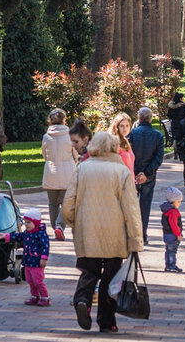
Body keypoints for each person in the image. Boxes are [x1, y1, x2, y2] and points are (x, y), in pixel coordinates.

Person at [60, 130, 144, 334]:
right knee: (111, 278)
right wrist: (135, 239)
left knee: (89, 271)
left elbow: (68, 203)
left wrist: (73, 223)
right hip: (115, 233)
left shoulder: (83, 168)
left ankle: (82, 300)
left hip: (87, 229)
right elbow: (131, 209)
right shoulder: (122, 171)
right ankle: (107, 321)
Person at [0, 207, 50, 306]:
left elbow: (45, 246)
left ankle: (45, 297)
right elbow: (18, 236)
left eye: (29, 222)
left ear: (36, 223)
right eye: (25, 222)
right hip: (28, 261)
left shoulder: (41, 233)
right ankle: (35, 296)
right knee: (30, 280)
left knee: (38, 280)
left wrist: (44, 258)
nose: (26, 225)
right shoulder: (27, 232)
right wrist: (5, 236)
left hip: (37, 262)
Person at [128, 106, 165, 244]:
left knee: (131, 205)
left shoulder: (132, 134)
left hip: (134, 175)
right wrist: (146, 172)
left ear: (139, 118)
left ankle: (133, 234)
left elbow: (129, 155)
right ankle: (142, 234)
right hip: (148, 176)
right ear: (150, 119)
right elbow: (158, 158)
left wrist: (137, 172)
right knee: (145, 206)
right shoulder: (157, 135)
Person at [42, 109, 75, 243]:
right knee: (66, 203)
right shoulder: (70, 135)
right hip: (68, 173)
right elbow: (75, 153)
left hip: (51, 172)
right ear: (64, 119)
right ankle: (60, 225)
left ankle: (55, 226)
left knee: (52, 203)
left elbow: (44, 154)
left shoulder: (46, 136)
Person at [160, 186, 184, 273]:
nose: (179, 203)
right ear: (173, 201)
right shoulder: (173, 212)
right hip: (172, 235)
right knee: (172, 251)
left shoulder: (167, 210)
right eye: (178, 201)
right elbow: (174, 225)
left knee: (168, 251)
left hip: (167, 234)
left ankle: (169, 265)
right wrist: (178, 234)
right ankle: (171, 265)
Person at [166, 93, 185, 157]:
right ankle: (179, 151)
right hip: (181, 124)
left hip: (174, 124)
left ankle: (175, 150)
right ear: (181, 98)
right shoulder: (184, 106)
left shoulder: (171, 106)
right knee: (181, 137)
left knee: (175, 137)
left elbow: (169, 115)